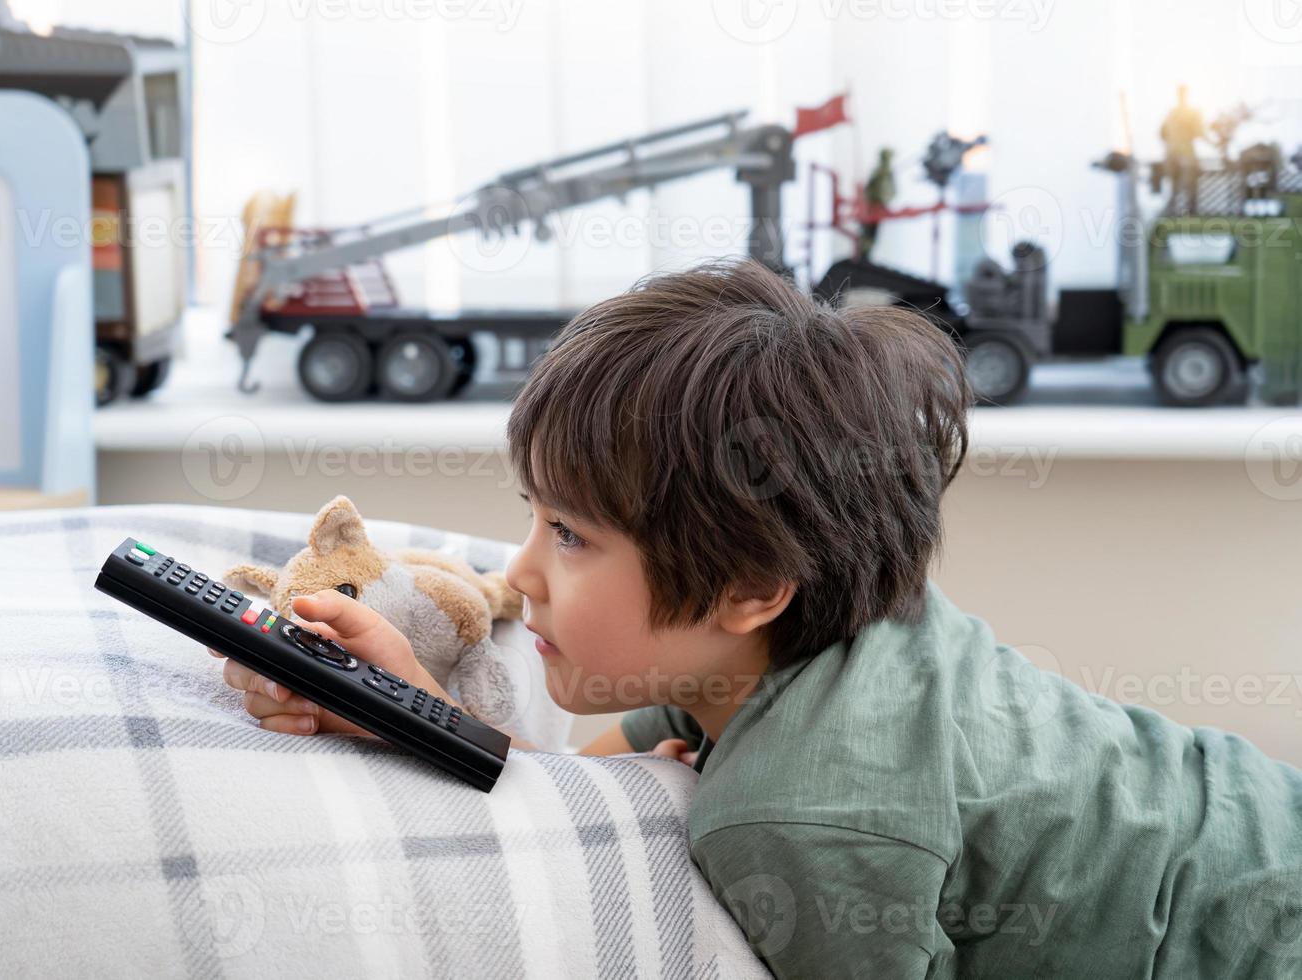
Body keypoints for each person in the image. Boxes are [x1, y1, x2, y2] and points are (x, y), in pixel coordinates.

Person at [211, 258, 1302, 977]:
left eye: (575, 535)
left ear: (749, 587)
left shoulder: (798, 817)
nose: (523, 572)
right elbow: (583, 782)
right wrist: (424, 707)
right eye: (534, 519)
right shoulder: (806, 636)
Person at [1161, 84, 1207, 214]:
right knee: (1190, 182)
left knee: (1175, 185)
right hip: (1185, 154)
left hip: (1171, 154)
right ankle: (1191, 210)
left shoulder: (1171, 113)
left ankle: (1171, 209)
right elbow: (1200, 132)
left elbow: (1162, 133)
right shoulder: (1192, 112)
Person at [860, 147, 897, 258]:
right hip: (873, 206)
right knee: (869, 233)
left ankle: (866, 252)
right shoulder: (878, 171)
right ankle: (864, 252)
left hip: (880, 205)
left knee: (872, 234)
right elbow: (869, 188)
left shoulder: (888, 172)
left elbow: (891, 189)